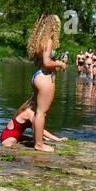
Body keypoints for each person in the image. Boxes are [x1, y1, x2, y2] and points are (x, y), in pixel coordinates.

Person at [26, 14, 67, 153]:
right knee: (41, 113)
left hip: (37, 76)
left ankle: (37, 140)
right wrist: (60, 64)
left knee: (39, 112)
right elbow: (46, 62)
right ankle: (39, 144)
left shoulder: (39, 41)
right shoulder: (48, 41)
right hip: (44, 77)